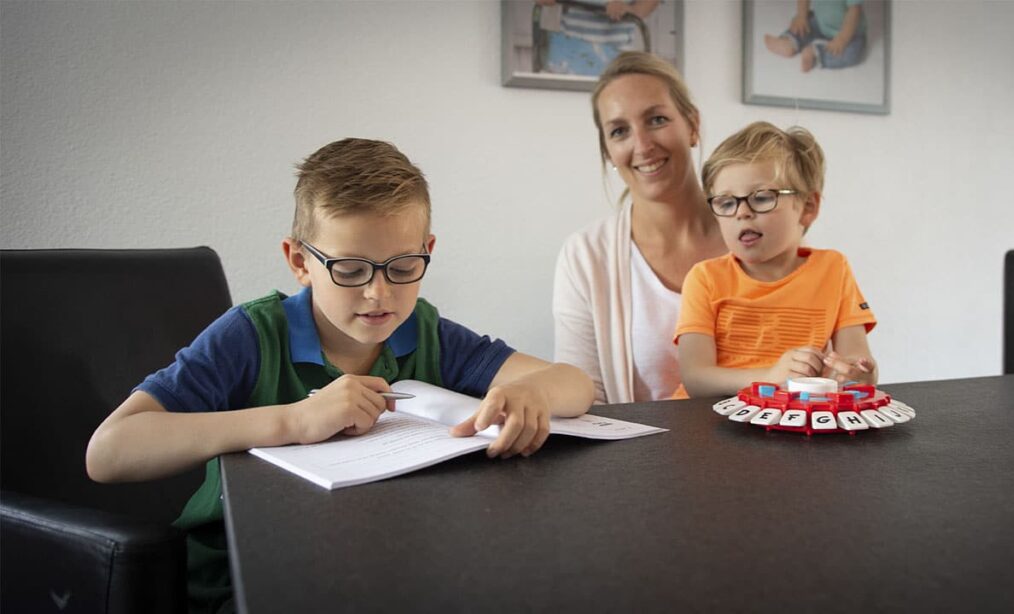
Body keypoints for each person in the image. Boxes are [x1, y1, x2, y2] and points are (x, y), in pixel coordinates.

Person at [86, 138, 595, 613]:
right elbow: (109, 451)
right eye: (351, 270)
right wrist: (292, 421)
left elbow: (575, 383)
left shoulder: (425, 330)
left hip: (391, 564)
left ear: (428, 251)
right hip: (239, 582)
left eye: (402, 267)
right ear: (300, 261)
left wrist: (529, 391)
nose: (379, 294)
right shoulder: (250, 335)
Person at [553, 51, 728, 404]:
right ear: (607, 151)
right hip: (638, 458)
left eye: (657, 119)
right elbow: (585, 398)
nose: (643, 146)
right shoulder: (585, 256)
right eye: (620, 131)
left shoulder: (759, 233)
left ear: (692, 126)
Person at [675, 121, 877, 399]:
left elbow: (859, 364)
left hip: (789, 424)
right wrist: (770, 377)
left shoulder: (833, 269)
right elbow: (695, 378)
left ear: (807, 207)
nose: (741, 213)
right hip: (708, 424)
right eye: (725, 202)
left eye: (761, 198)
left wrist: (856, 373)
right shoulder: (705, 278)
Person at [764, 0, 867, 72]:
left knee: (853, 54)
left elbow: (854, 11)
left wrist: (842, 39)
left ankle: (816, 53)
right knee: (804, 25)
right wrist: (801, 16)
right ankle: (790, 41)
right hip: (820, 23)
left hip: (850, 31)